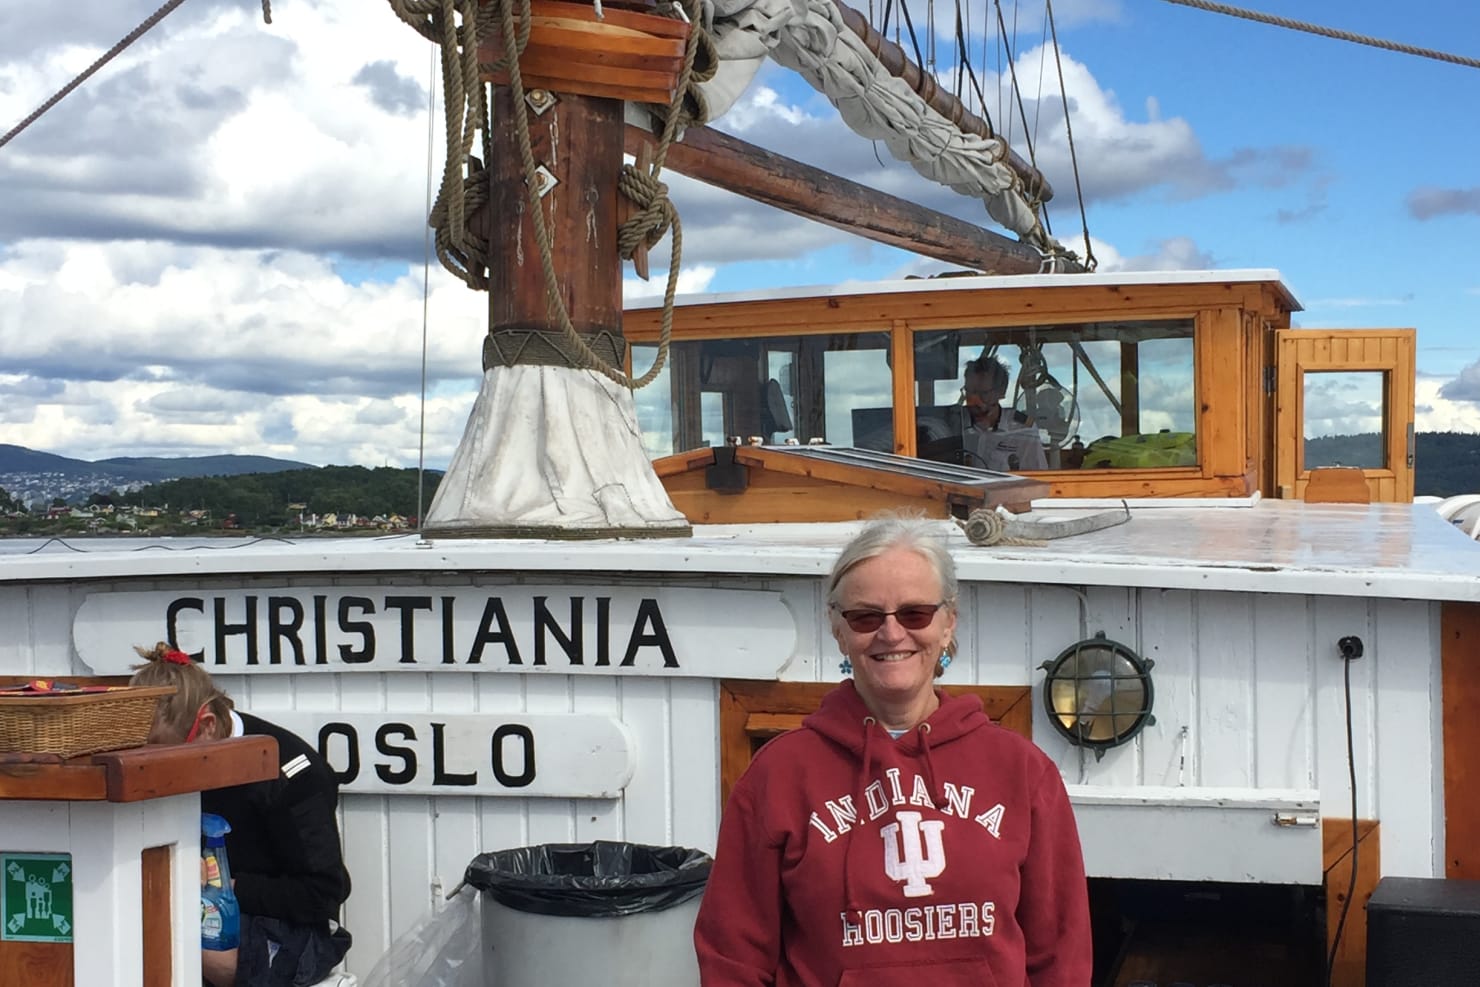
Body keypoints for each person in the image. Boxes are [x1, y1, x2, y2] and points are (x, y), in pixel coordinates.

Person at [693, 515, 1091, 986]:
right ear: (839, 630)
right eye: (865, 617)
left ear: (948, 623)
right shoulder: (779, 776)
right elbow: (732, 957)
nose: (891, 633)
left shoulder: (1022, 771)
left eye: (914, 613)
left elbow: (1061, 953)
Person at [130, 644, 352, 987]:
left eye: (170, 758)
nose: (161, 773)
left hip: (288, 925)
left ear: (206, 725)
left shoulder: (291, 774)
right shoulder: (180, 749)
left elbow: (323, 893)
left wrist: (221, 887)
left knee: (182, 944)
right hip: (189, 904)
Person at [961, 355, 1048, 472]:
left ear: (1001, 392)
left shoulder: (1023, 430)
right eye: (969, 392)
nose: (974, 400)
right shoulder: (952, 425)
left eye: (984, 393)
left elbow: (1038, 478)